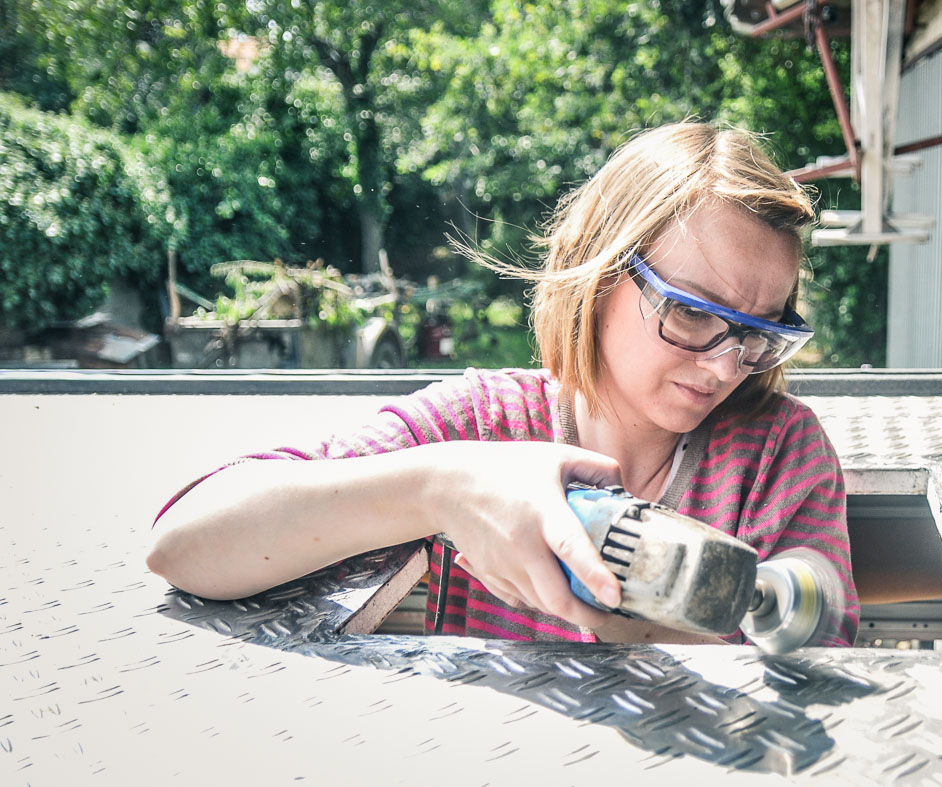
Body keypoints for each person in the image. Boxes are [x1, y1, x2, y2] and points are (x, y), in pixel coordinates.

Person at [147, 122, 859, 646]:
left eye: (760, 330)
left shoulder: (777, 451)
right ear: (599, 273)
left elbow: (821, 642)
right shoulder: (480, 426)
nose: (724, 364)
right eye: (690, 312)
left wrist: (674, 620)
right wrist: (443, 488)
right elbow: (183, 542)